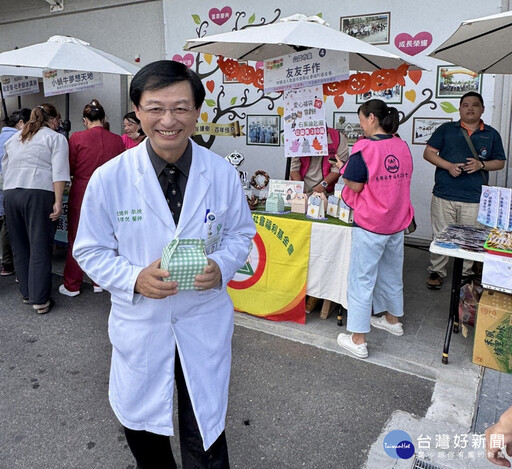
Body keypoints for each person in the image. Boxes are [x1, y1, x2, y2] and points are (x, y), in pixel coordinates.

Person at [73, 60, 255, 469]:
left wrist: (221, 267)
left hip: (202, 318)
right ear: (137, 111)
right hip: (143, 323)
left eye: (181, 108)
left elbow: (241, 234)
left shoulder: (221, 174)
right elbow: (89, 249)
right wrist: (133, 277)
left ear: (196, 111)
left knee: (205, 426)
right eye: (155, 107)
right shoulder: (110, 178)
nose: (168, 120)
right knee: (143, 429)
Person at [335, 99, 414, 359]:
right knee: (392, 271)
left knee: (361, 280)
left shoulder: (364, 147)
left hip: (371, 223)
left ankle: (358, 339)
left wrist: (343, 171)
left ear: (371, 118)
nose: (360, 125)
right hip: (397, 221)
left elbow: (355, 186)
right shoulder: (401, 145)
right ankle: (393, 320)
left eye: (360, 119)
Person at [424, 91, 506, 290]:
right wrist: (448, 166)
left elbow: (500, 162)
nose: (470, 108)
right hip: (444, 194)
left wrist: (481, 165)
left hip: (475, 197)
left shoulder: (492, 133)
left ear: (482, 109)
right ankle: (437, 271)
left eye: (475, 105)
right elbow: (428, 153)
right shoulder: (446, 129)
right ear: (459, 109)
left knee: (470, 238)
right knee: (441, 235)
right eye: (466, 105)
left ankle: (466, 274)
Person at [2, 104, 70, 314]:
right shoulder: (55, 138)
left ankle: (27, 292)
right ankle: (40, 299)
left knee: (19, 243)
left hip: (11, 193)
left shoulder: (16, 138)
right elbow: (59, 172)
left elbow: (4, 171)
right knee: (40, 244)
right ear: (53, 119)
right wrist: (58, 201)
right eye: (58, 120)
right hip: (38, 192)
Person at [58, 99, 125, 297]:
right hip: (110, 194)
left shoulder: (77, 138)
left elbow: (69, 167)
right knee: (106, 237)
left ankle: (72, 284)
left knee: (77, 238)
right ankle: (99, 281)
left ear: (85, 120)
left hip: (82, 192)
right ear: (104, 119)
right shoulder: (117, 140)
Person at [0, 108, 31, 277]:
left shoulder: (1, 136)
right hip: (11, 186)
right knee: (10, 224)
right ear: (21, 123)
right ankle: (9, 264)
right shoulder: (17, 138)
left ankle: (6, 263)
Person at [289, 126, 349, 195]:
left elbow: (338, 168)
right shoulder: (299, 137)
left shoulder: (338, 138)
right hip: (302, 186)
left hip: (326, 188)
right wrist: (300, 188)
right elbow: (294, 168)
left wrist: (323, 185)